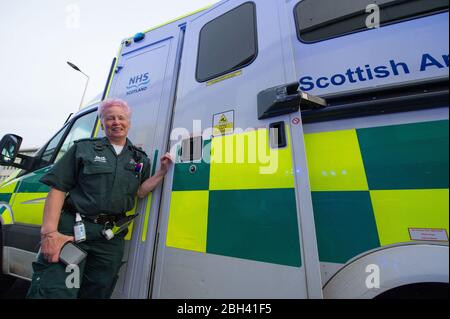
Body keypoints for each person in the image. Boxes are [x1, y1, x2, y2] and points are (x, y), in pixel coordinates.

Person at [26, 98, 173, 299]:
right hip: (73, 232)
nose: (116, 122)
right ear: (102, 123)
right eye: (110, 118)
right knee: (57, 291)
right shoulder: (83, 149)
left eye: (121, 118)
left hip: (109, 238)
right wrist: (50, 233)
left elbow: (139, 192)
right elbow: (58, 188)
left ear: (129, 123)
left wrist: (161, 173)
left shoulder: (139, 158)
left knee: (97, 292)